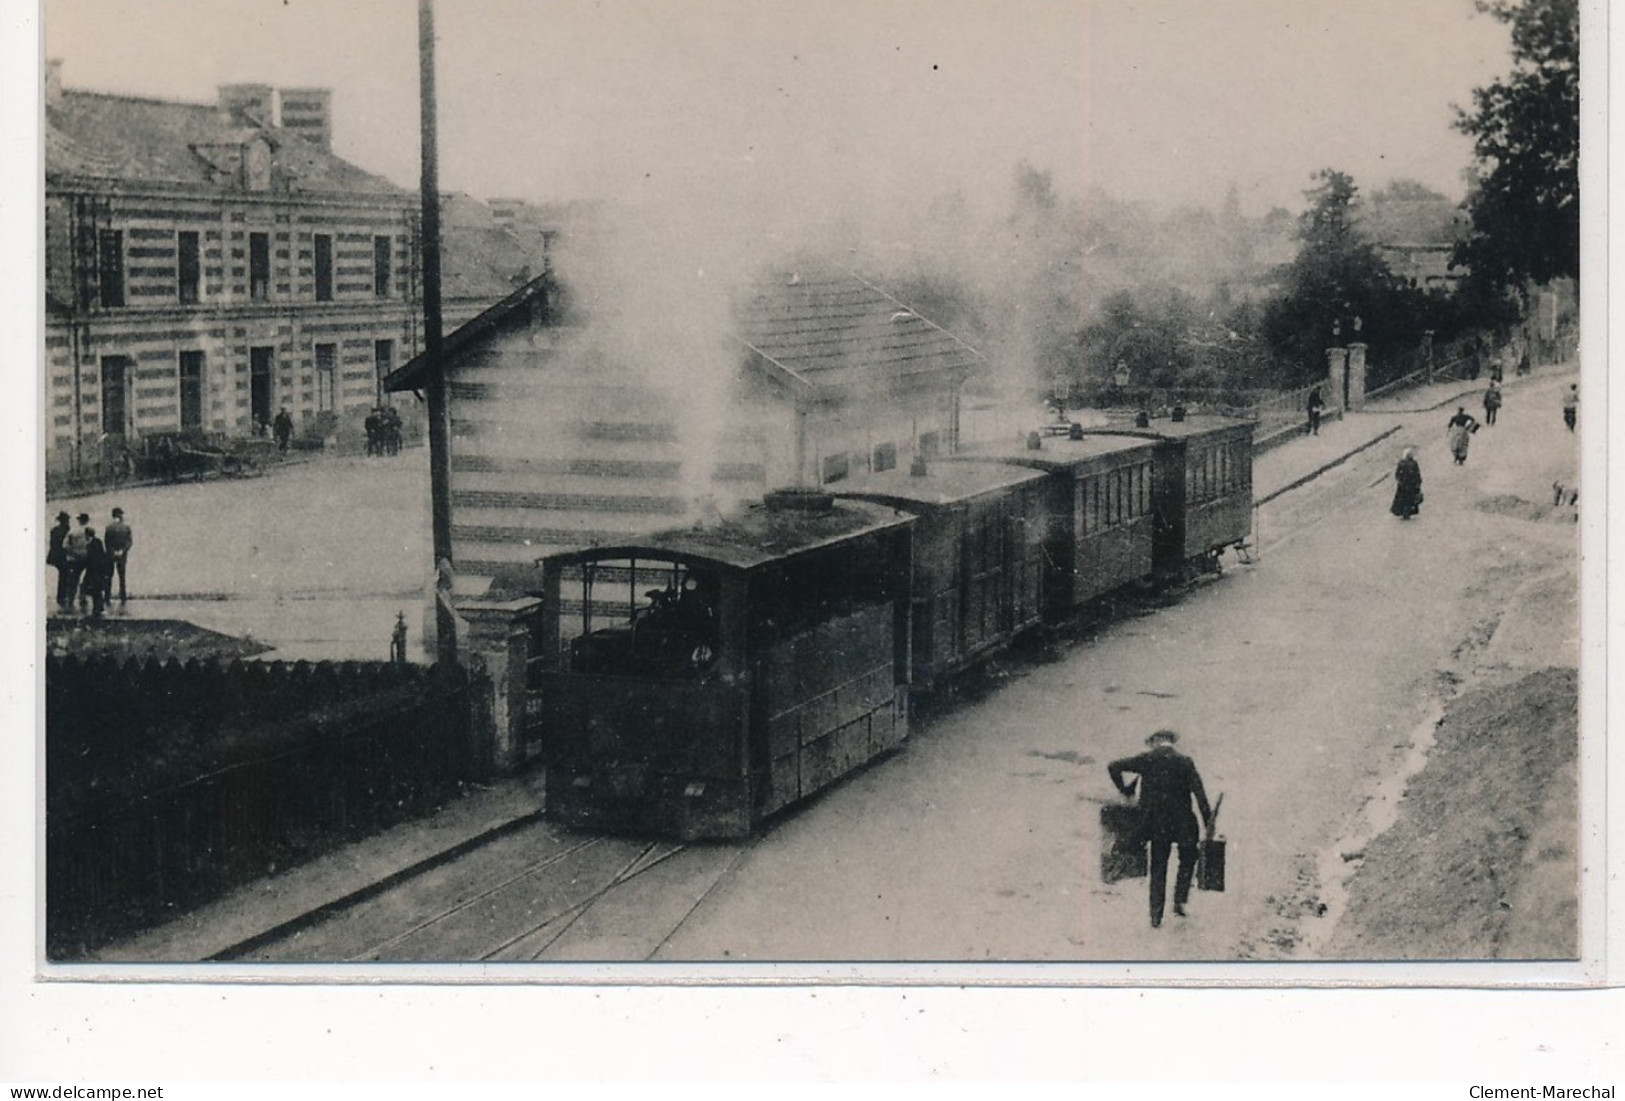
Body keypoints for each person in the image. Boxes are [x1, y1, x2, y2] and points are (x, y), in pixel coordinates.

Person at [1108, 730, 1214, 929]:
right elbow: (1200, 795)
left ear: (1155, 741)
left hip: (1157, 824)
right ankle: (1179, 900)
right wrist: (1209, 823)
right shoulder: (1186, 762)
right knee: (1188, 859)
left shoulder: (1146, 759)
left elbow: (1113, 766)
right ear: (1172, 742)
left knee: (1158, 866)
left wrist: (1125, 790)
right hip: (1183, 823)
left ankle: (1156, 916)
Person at [62, 513, 92, 611]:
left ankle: (71, 599)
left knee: (74, 579)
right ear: (87, 520)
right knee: (86, 578)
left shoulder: (72, 531)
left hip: (73, 558)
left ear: (79, 520)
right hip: (85, 558)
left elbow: (65, 545)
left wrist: (73, 553)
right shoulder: (89, 531)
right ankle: (82, 597)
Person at [104, 506, 133, 604]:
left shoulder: (108, 528)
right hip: (122, 555)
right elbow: (129, 542)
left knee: (108, 576)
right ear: (121, 516)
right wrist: (122, 550)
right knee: (122, 577)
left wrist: (112, 551)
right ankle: (123, 597)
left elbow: (107, 543)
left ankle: (107, 597)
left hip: (110, 555)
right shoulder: (126, 527)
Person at [81, 526, 110, 619]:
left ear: (87, 535)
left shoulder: (91, 545)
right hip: (98, 571)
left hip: (93, 571)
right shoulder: (98, 542)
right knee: (96, 590)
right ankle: (98, 608)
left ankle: (97, 609)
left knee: (93, 590)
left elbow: (90, 558)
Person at [47, 511, 72, 609]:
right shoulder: (67, 530)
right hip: (64, 556)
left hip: (55, 556)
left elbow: (53, 544)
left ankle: (61, 596)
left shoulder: (54, 530)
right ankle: (64, 596)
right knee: (65, 576)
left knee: (62, 575)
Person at [1391, 447, 1423, 520]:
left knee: (1402, 499)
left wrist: (1400, 481)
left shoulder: (1401, 463)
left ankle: (1403, 511)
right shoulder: (1414, 463)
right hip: (1411, 485)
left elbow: (1397, 474)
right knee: (1410, 500)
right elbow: (1417, 474)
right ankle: (1408, 512)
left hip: (1403, 486)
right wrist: (1418, 483)